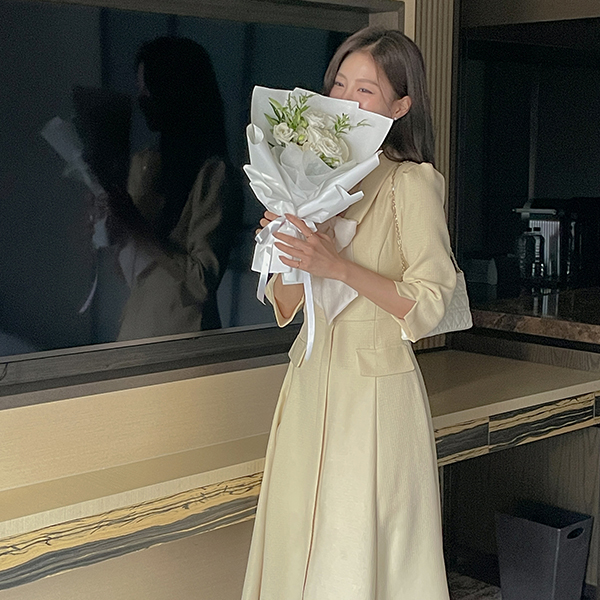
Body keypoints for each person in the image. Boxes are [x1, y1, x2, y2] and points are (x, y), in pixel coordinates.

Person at [242, 27, 456, 600]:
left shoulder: (410, 183)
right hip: (309, 384)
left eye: (365, 90)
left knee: (356, 551)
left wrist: (337, 266)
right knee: (296, 544)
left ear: (400, 106)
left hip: (375, 398)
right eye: (339, 84)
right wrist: (287, 247)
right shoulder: (312, 180)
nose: (344, 100)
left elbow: (431, 302)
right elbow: (288, 305)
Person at [103, 36, 242, 340]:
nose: (141, 98)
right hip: (136, 329)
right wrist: (111, 224)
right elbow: (129, 272)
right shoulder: (146, 163)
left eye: (148, 88)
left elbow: (201, 282)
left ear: (174, 91)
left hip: (181, 338)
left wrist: (138, 227)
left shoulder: (214, 175)